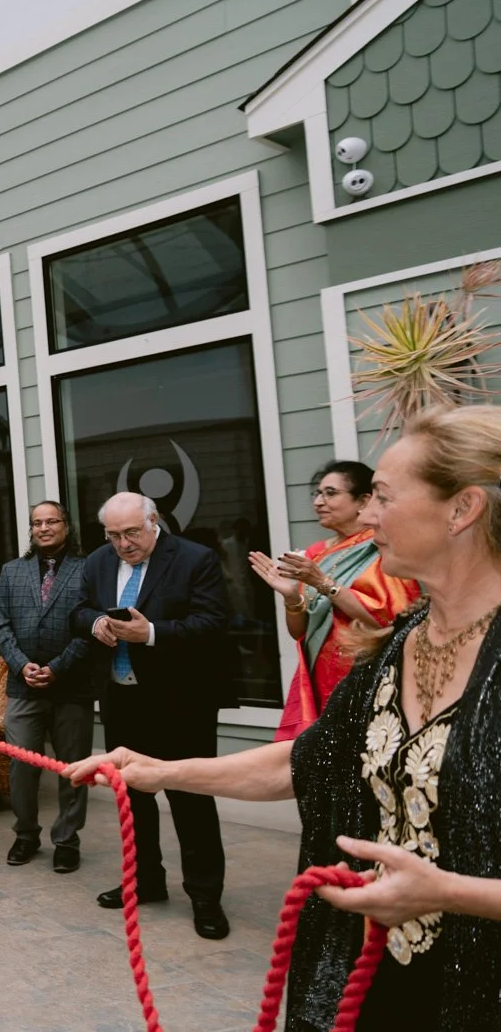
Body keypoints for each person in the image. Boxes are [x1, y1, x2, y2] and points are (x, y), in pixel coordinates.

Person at [65, 406, 501, 1030]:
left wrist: (450, 893)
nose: (365, 517)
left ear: (462, 510)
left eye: (381, 496)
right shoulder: (400, 643)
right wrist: (158, 770)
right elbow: (305, 760)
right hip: (373, 981)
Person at [74, 492, 234, 939]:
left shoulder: (194, 558)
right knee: (132, 801)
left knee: (190, 799)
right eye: (113, 535)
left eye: (131, 533)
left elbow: (214, 623)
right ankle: (145, 882)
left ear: (153, 522)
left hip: (182, 702)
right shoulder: (99, 562)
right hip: (123, 699)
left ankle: (205, 897)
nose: (123, 544)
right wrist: (94, 624)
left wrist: (151, 634)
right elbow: (80, 608)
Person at [249, 460, 419, 740]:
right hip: (321, 676)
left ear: (363, 501)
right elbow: (300, 631)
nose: (318, 502)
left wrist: (322, 583)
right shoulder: (317, 553)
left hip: (363, 673)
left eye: (330, 493)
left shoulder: (382, 547)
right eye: (317, 494)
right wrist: (291, 596)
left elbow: (388, 618)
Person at [0, 501, 92, 873]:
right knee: (22, 767)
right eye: (37, 523)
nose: (44, 528)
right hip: (23, 687)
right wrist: (21, 665)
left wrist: (58, 668)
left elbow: (92, 627)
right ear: (31, 529)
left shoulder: (88, 569)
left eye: (52, 521)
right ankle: (26, 835)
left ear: (67, 525)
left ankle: (66, 840)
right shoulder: (11, 571)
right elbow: (1, 625)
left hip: (72, 687)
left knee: (73, 768)